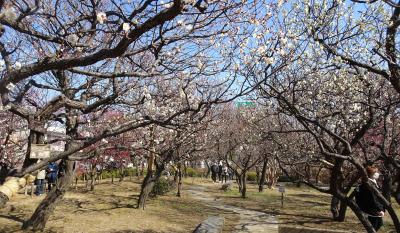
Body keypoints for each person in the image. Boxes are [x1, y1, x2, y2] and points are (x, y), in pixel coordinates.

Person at [356, 166, 385, 231]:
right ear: (371, 174)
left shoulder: (373, 182)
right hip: (372, 209)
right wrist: (380, 210)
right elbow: (373, 199)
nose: (378, 173)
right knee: (374, 226)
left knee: (378, 224)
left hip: (372, 209)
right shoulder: (369, 185)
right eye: (376, 172)